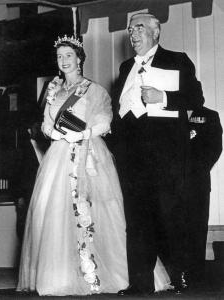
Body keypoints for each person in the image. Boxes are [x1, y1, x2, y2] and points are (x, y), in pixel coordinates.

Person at [16, 35, 128, 296]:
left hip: (88, 152)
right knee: (54, 213)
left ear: (79, 59)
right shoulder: (53, 90)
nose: (64, 60)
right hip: (58, 156)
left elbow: (105, 121)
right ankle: (60, 275)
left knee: (96, 211)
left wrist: (83, 134)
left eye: (69, 55)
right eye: (60, 56)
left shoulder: (94, 89)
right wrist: (54, 134)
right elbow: (46, 124)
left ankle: (103, 273)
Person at [112, 13, 205, 296]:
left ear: (156, 31)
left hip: (166, 159)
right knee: (137, 222)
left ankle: (180, 278)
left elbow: (196, 100)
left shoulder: (177, 60)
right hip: (133, 160)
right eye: (130, 29)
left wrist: (163, 97)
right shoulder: (126, 66)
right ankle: (140, 282)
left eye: (139, 27)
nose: (133, 33)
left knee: (170, 218)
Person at [185, 106, 222, 289]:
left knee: (197, 227)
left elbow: (215, 148)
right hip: (170, 182)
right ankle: (176, 274)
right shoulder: (167, 113)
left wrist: (196, 171)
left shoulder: (209, 116)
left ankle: (196, 276)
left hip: (197, 181)